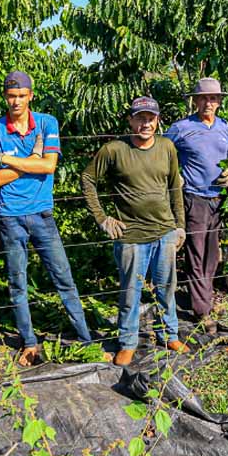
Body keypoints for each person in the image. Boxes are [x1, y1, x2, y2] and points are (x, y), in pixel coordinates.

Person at [0, 71, 98, 366]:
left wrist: (7, 159)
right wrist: (32, 161)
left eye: (22, 95)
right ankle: (29, 343)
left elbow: (49, 166)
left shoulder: (47, 123)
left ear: (30, 95)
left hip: (42, 214)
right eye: (11, 96)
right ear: (5, 96)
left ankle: (86, 340)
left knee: (64, 278)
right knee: (17, 282)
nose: (16, 101)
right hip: (10, 217)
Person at [81, 97, 189, 366]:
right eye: (140, 118)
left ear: (157, 120)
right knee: (131, 291)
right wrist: (102, 218)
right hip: (130, 236)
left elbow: (175, 187)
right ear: (130, 120)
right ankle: (127, 341)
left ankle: (169, 333)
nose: (145, 123)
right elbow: (88, 179)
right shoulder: (114, 150)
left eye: (150, 118)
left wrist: (180, 226)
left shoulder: (166, 147)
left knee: (166, 287)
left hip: (164, 231)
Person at [165, 78, 228, 333]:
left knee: (212, 254)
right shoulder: (181, 128)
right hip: (194, 197)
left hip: (218, 199)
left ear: (219, 102)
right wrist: (175, 174)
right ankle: (202, 310)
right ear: (195, 101)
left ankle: (205, 298)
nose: (209, 103)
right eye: (204, 98)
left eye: (213, 98)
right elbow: (162, 151)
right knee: (196, 253)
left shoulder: (224, 128)